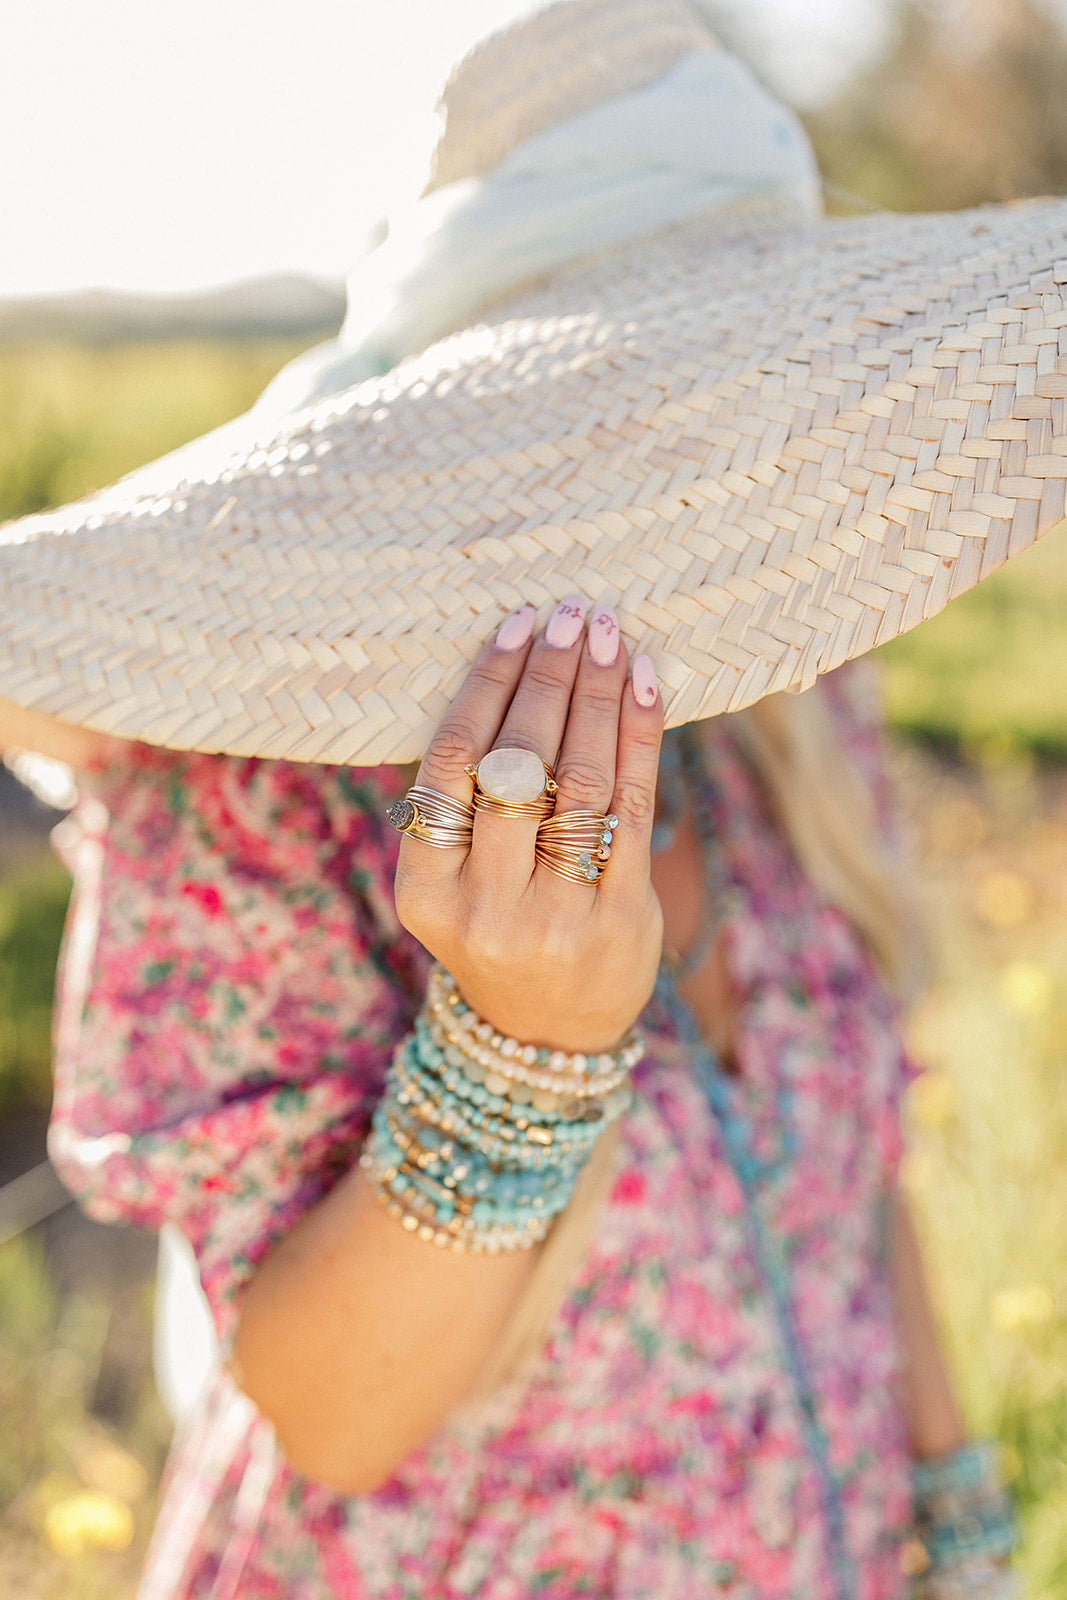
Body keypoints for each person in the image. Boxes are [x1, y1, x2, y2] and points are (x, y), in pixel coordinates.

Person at [3, 0, 1062, 1594]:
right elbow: (328, 1412)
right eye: (618, 432)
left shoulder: (789, 688)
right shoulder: (248, 802)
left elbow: (855, 1169)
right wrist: (524, 1046)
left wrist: (961, 1516)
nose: (694, 483)